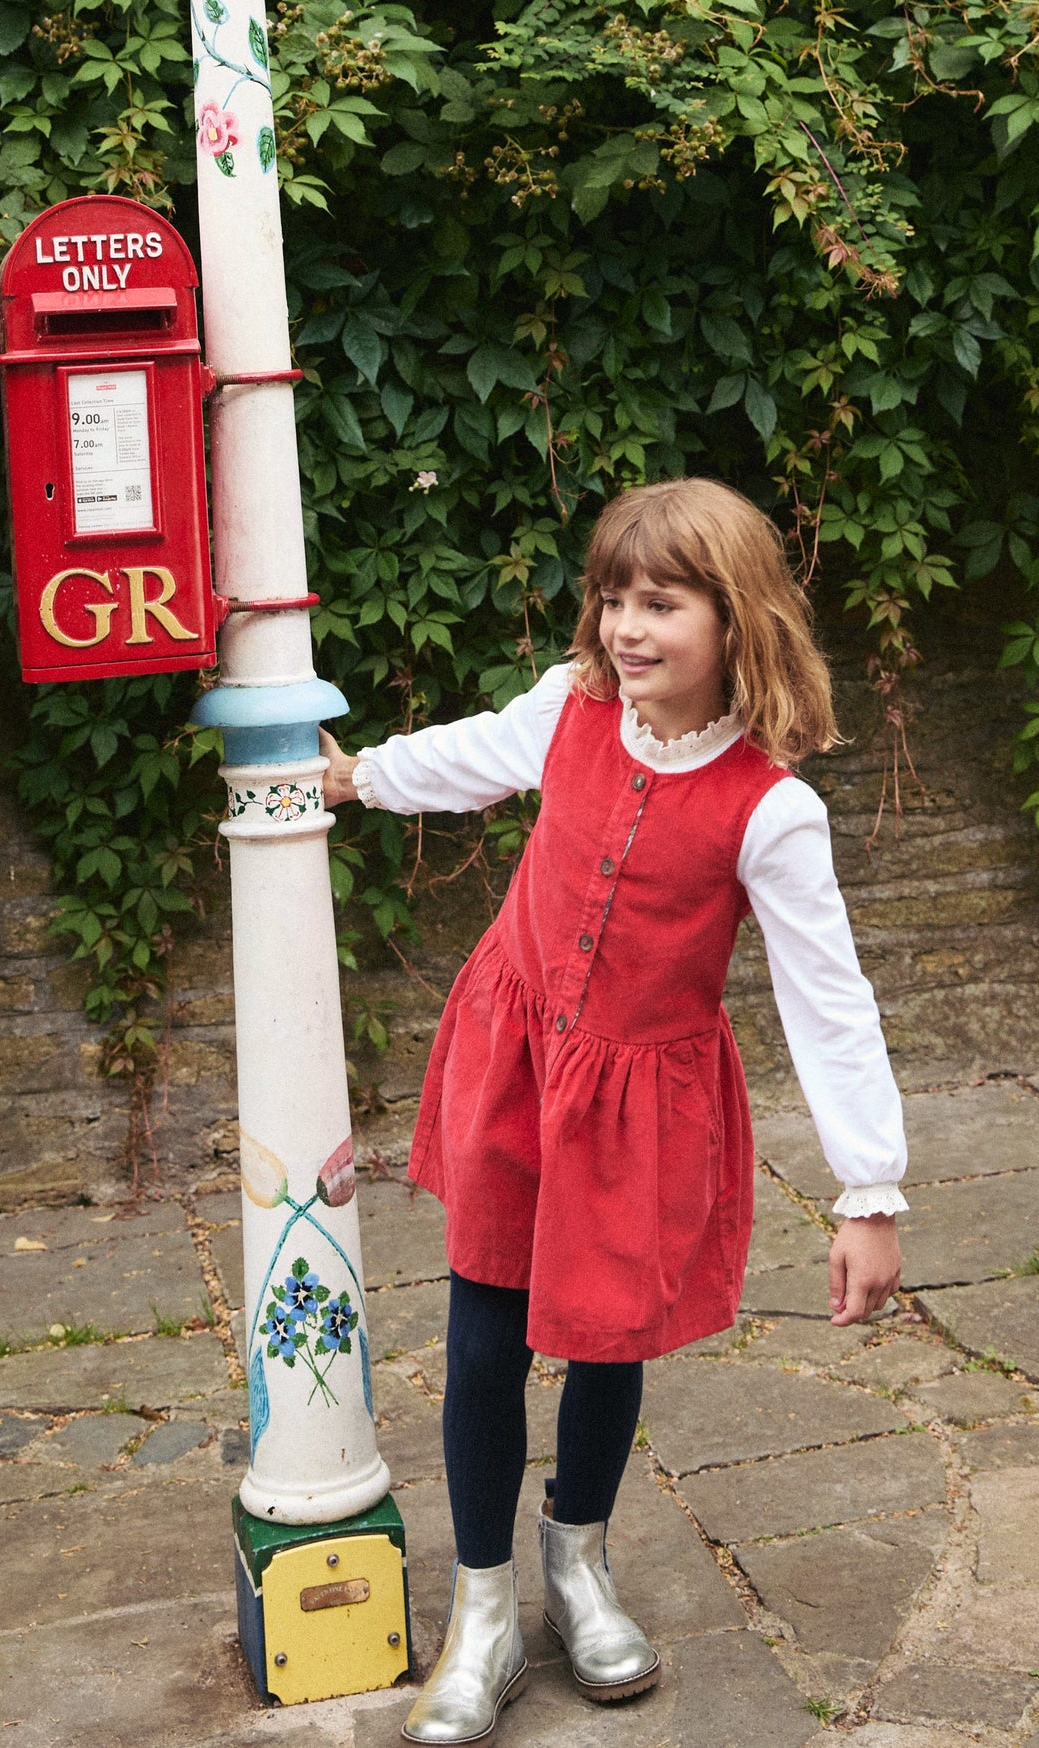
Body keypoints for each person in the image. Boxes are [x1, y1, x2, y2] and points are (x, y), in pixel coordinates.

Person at [320, 477, 907, 1745]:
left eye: (662, 603)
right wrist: (357, 775)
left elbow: (827, 998)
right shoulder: (569, 705)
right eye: (612, 597)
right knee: (484, 1328)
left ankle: (576, 1563)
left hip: (640, 1103)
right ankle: (483, 1609)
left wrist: (867, 1188)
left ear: (734, 617)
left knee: (604, 1335)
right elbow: (471, 753)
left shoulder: (771, 806)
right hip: (519, 1060)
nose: (626, 627)